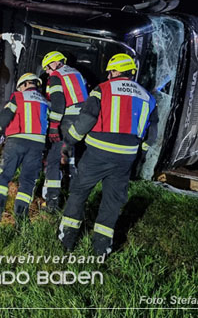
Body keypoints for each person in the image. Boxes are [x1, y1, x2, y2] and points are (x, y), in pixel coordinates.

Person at [58, 53, 158, 256]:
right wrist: (140, 155)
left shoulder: (102, 89)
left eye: (110, 71)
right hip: (125, 158)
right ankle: (101, 248)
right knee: (112, 201)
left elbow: (86, 119)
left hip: (98, 154)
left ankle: (66, 239)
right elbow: (152, 133)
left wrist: (70, 140)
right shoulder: (148, 97)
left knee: (79, 192)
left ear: (114, 71)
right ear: (131, 72)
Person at [0, 73, 49, 224]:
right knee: (28, 181)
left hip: (17, 142)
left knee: (4, 176)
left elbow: (5, 117)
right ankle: (21, 217)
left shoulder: (18, 97)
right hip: (37, 145)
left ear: (25, 84)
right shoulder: (46, 102)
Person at [40, 51, 89, 212]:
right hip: (81, 121)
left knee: (54, 160)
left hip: (67, 119)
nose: (47, 72)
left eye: (47, 68)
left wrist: (53, 125)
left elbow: (58, 103)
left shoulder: (56, 76)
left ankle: (52, 203)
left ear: (53, 63)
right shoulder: (76, 73)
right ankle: (74, 201)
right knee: (70, 159)